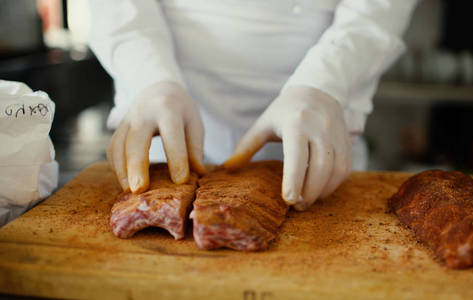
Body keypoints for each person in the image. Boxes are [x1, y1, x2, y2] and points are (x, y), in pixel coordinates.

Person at [89, 0, 418, 210]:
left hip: (319, 147)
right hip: (165, 140)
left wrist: (324, 83)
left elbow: (376, 9)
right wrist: (149, 77)